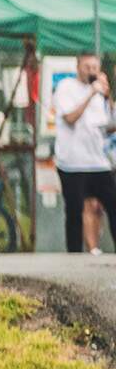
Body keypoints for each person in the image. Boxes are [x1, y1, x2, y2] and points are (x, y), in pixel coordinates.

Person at [51, 53, 116, 253]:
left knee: (113, 206)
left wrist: (107, 95)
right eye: (87, 67)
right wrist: (90, 94)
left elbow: (108, 125)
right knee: (74, 211)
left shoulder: (99, 93)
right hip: (72, 163)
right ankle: (74, 255)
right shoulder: (66, 87)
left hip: (98, 162)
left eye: (95, 67)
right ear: (78, 66)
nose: (91, 71)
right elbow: (70, 118)